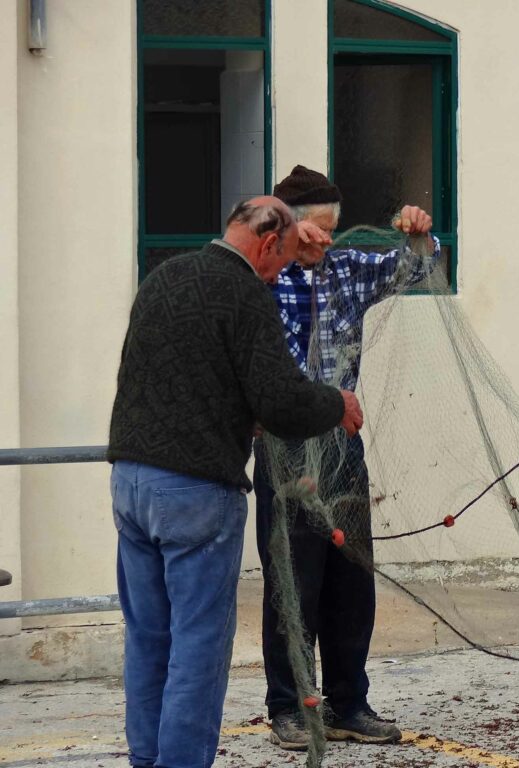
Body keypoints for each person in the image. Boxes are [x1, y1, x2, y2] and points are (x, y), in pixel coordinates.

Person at [108, 196, 364, 768]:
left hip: (130, 482)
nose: (279, 276)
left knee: (148, 637)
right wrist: (337, 403)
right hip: (195, 491)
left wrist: (238, 410)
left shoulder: (165, 276)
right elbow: (282, 402)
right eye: (283, 261)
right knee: (197, 645)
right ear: (267, 244)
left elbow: (173, 374)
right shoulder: (246, 291)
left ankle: (146, 759)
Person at [255, 166, 440, 750]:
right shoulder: (259, 277)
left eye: (332, 229)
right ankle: (288, 705)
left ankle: (347, 702)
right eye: (314, 229)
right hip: (284, 446)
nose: (326, 240)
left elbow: (415, 267)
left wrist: (418, 234)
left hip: (341, 443)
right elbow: (230, 255)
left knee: (350, 578)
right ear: (284, 226)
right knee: (292, 579)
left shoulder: (347, 270)